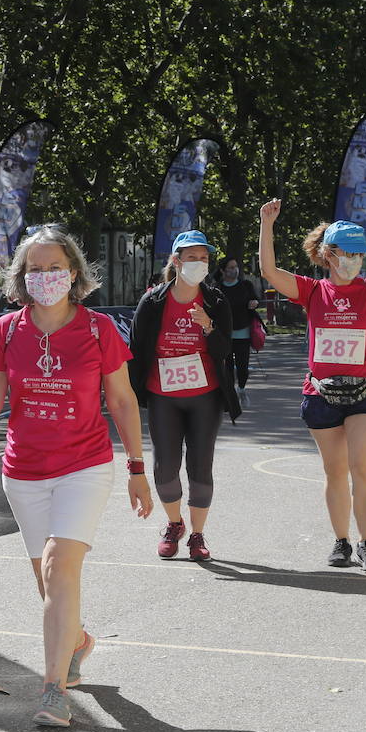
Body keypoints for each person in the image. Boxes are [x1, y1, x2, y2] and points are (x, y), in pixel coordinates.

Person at [0, 224, 152, 727]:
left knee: (57, 567)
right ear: (21, 277)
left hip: (85, 465)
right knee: (47, 580)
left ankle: (53, 690)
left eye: (55, 267)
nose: (46, 276)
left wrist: (138, 468)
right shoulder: (7, 332)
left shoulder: (98, 330)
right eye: (36, 269)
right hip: (23, 470)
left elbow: (121, 400)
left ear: (73, 273)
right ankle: (77, 641)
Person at [258, 200, 366, 573]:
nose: (354, 260)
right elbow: (269, 271)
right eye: (346, 253)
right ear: (328, 254)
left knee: (362, 466)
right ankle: (341, 541)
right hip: (321, 393)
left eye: (358, 254)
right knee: (335, 471)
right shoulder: (312, 291)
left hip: (365, 392)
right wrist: (266, 224)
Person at [129, 230, 240, 563]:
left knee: (200, 466)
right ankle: (175, 523)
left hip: (205, 395)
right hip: (163, 395)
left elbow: (225, 351)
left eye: (204, 259)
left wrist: (208, 325)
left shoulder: (216, 301)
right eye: (192, 258)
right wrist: (129, 396)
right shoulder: (153, 301)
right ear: (176, 261)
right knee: (164, 468)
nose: (199, 264)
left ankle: (197, 535)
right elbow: (135, 349)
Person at [216, 257, 262, 408]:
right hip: (225, 335)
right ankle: (230, 397)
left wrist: (254, 303)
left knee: (243, 368)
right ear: (223, 271)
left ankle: (241, 389)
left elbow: (256, 299)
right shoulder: (217, 288)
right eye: (230, 267)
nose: (234, 270)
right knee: (227, 369)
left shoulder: (245, 285)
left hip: (243, 332)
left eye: (235, 267)